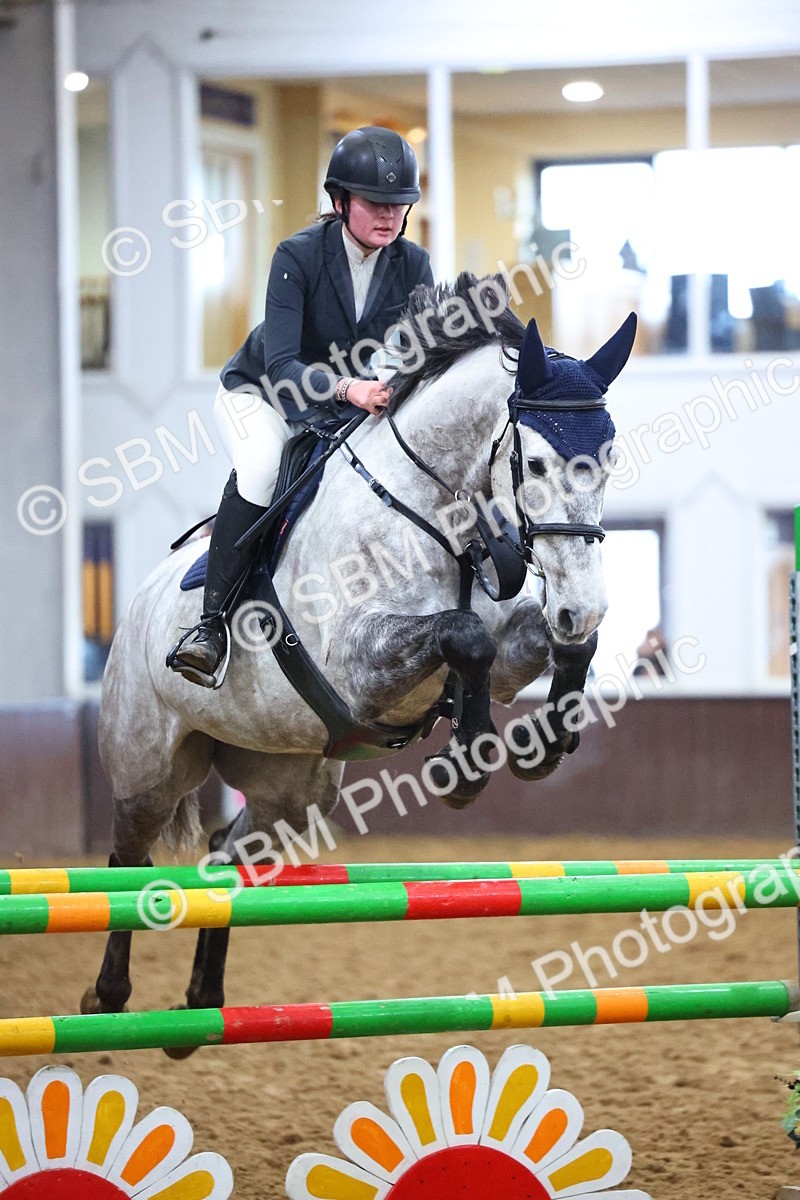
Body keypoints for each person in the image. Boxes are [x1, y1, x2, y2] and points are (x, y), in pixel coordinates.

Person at [169, 126, 434, 686]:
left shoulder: (413, 265)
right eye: (374, 203)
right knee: (264, 467)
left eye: (399, 205)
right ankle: (210, 627)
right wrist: (349, 388)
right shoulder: (297, 256)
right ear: (340, 202)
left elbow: (417, 350)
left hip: (350, 404)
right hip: (263, 393)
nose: (389, 215)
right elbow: (283, 365)